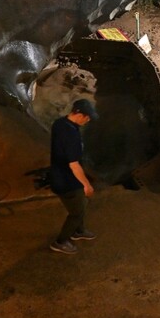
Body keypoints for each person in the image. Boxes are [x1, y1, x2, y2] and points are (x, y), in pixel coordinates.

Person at [49, 98, 98, 255]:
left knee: (81, 204)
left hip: (59, 173)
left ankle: (79, 231)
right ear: (78, 114)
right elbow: (74, 164)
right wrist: (86, 184)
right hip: (67, 180)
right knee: (76, 212)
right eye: (87, 117)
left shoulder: (60, 123)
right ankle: (60, 242)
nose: (88, 120)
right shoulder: (70, 134)